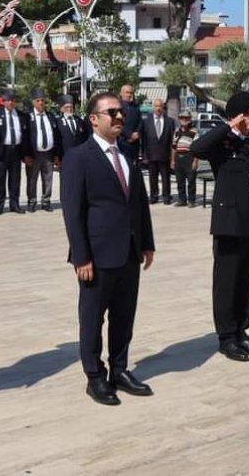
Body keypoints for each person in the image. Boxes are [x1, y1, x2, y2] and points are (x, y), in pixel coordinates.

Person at [60, 91, 156, 406]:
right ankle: (95, 376)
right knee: (92, 317)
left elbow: (139, 203)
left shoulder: (126, 153)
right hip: (97, 256)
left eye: (120, 112)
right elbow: (73, 211)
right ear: (93, 119)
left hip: (129, 251)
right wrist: (82, 256)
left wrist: (147, 243)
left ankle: (120, 369)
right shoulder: (79, 156)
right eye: (111, 112)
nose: (119, 117)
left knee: (124, 316)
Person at [191, 91, 249, 362]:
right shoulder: (222, 144)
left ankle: (241, 330)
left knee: (247, 279)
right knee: (227, 282)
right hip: (228, 224)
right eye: (246, 114)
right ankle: (226, 337)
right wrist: (229, 126)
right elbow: (196, 149)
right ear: (235, 116)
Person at [0, 91, 29, 214]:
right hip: (1, 151)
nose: (10, 102)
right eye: (8, 100)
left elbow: (25, 135)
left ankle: (14, 204)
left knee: (15, 179)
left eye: (12, 100)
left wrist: (25, 153)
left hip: (15, 150)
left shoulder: (21, 115)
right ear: (3, 102)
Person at [26, 88, 60, 212]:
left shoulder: (50, 116)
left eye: (43, 100)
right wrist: (27, 154)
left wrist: (56, 154)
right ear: (33, 102)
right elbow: (26, 136)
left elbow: (56, 135)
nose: (41, 103)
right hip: (34, 154)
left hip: (48, 153)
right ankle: (32, 201)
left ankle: (46, 201)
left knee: (48, 178)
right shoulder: (28, 116)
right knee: (32, 178)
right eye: (38, 100)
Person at [142, 98, 174, 205]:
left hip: (165, 155)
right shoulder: (146, 122)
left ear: (163, 107)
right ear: (153, 107)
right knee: (153, 178)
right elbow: (144, 140)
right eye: (156, 106)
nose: (158, 108)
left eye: (160, 106)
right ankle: (154, 196)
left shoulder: (169, 121)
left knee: (166, 177)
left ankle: (166, 196)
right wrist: (144, 155)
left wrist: (172, 156)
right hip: (151, 155)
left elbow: (172, 140)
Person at [171, 109, 199, 207]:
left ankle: (191, 200)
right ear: (179, 119)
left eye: (186, 118)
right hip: (179, 158)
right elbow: (174, 147)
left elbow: (197, 148)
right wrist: (172, 160)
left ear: (190, 119)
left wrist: (195, 161)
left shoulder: (194, 131)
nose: (184, 119)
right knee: (180, 180)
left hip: (189, 158)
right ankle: (182, 200)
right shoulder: (176, 131)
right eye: (182, 118)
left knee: (191, 180)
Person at [117, 84, 143, 163]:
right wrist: (129, 135)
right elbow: (117, 123)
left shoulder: (136, 107)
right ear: (121, 93)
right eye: (127, 92)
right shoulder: (117, 107)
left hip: (134, 143)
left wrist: (137, 133)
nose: (129, 95)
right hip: (122, 141)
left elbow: (140, 122)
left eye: (131, 93)